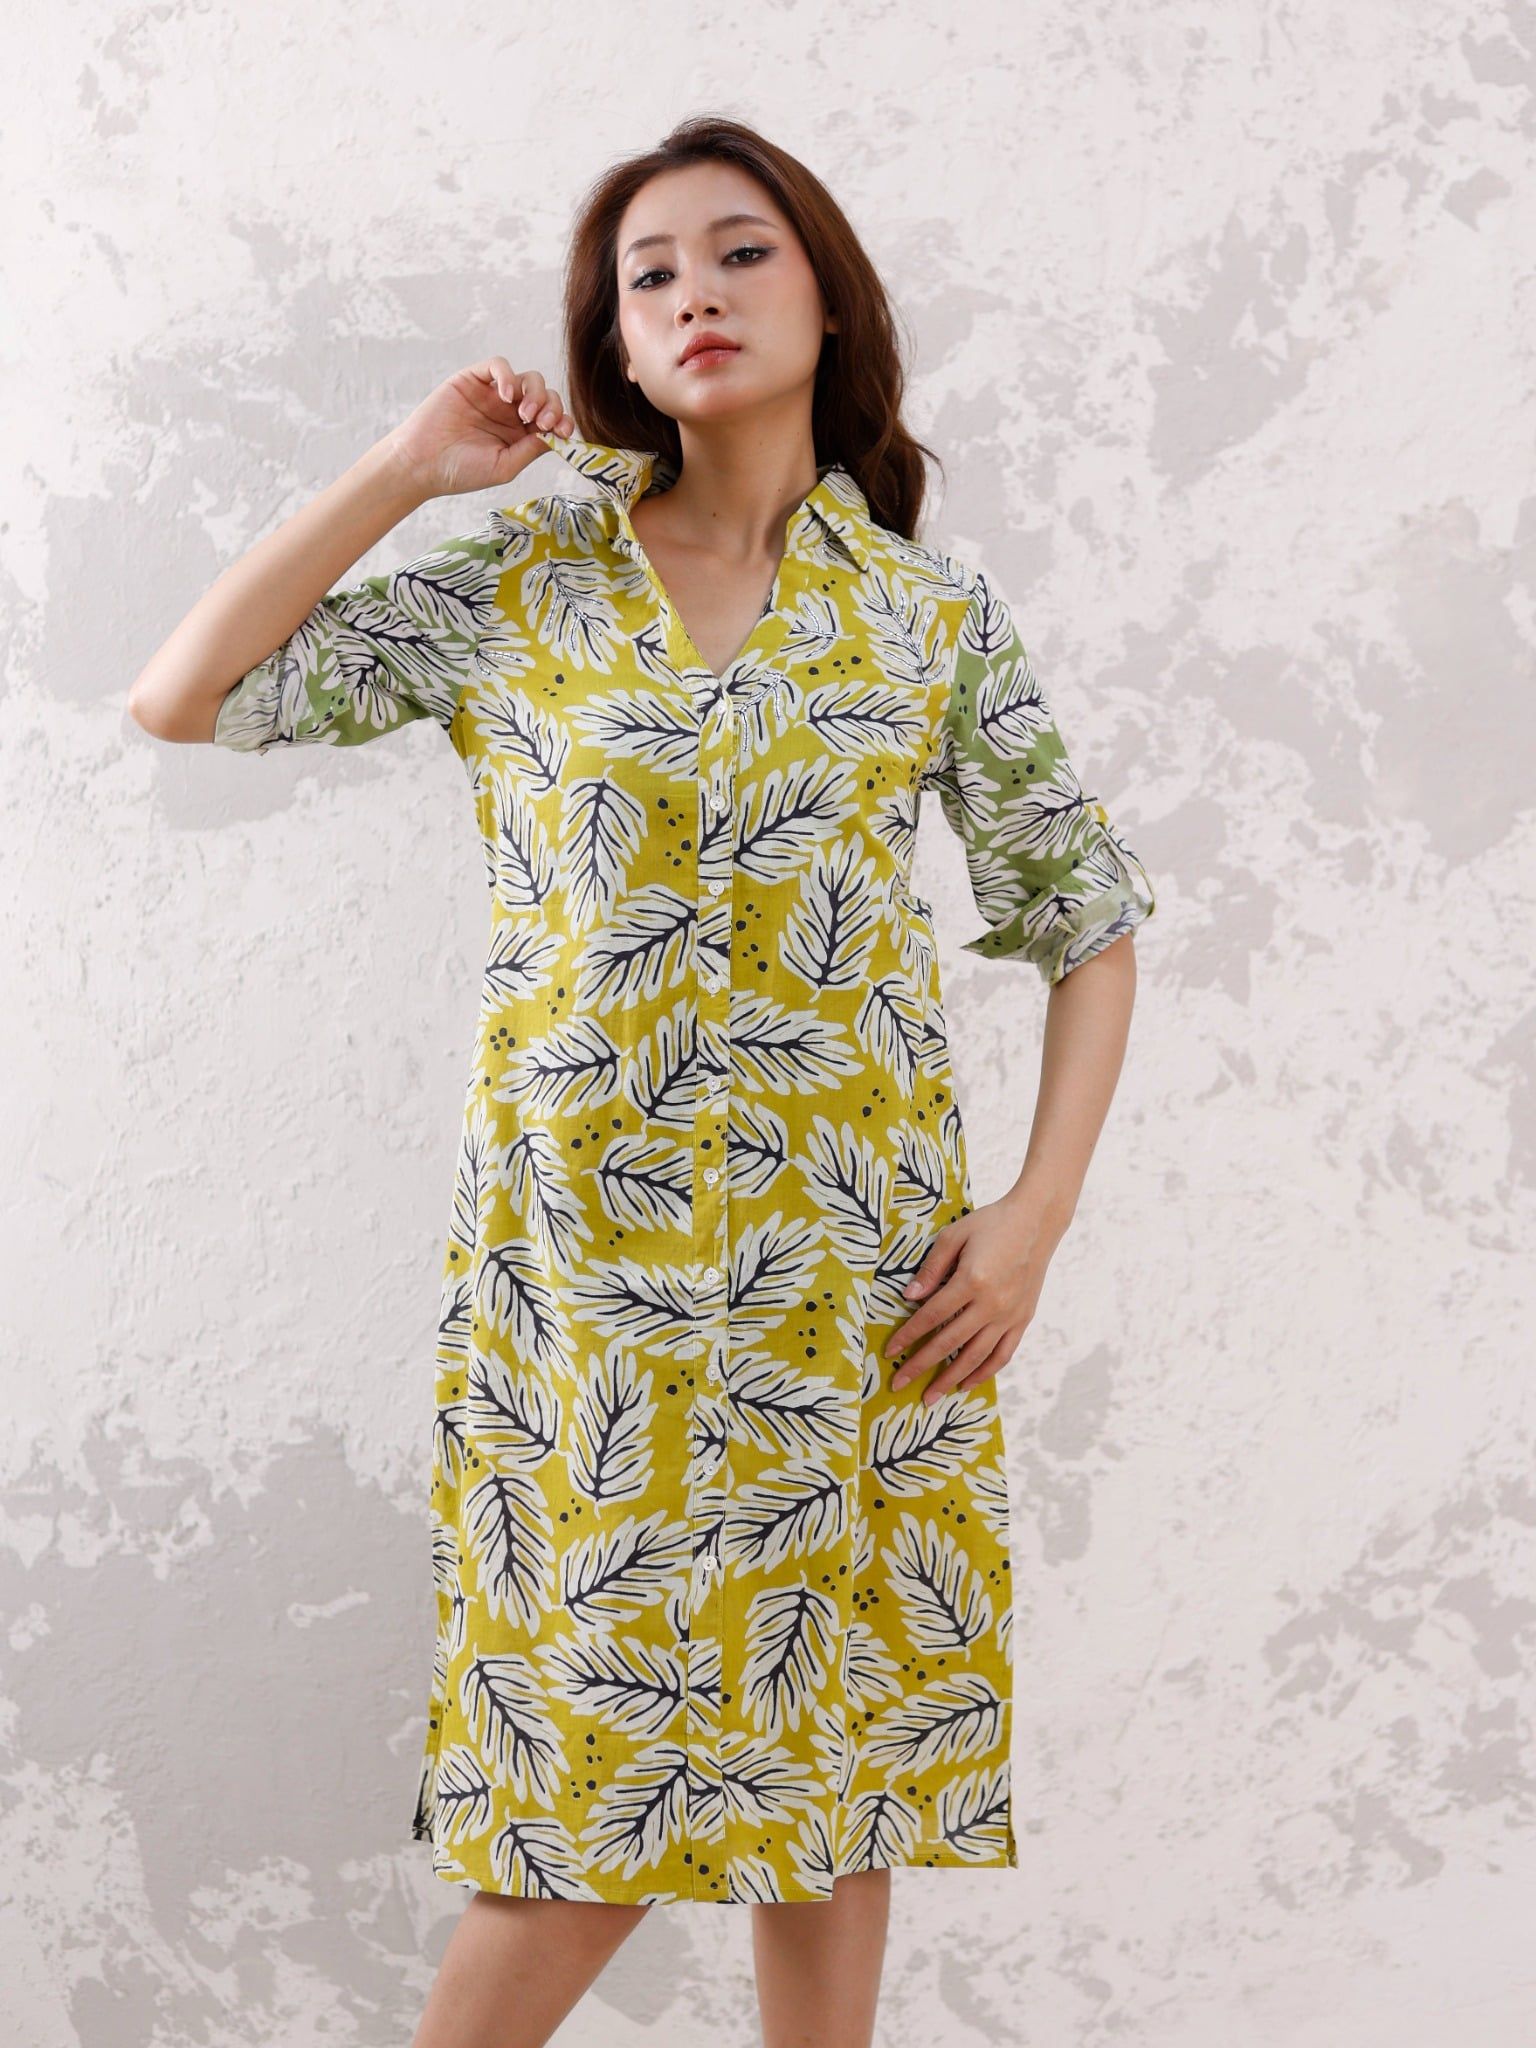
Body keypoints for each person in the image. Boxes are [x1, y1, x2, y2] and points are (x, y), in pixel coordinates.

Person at [129, 112, 1155, 2048]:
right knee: (592, 1805)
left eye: (739, 251)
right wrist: (406, 472)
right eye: (648, 273)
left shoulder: (926, 618)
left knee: (838, 1782)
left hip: (857, 1292)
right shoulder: (526, 577)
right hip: (583, 1296)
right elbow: (186, 694)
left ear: (828, 294)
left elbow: (1086, 919)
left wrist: (1032, 1222)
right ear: (613, 338)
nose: (694, 293)